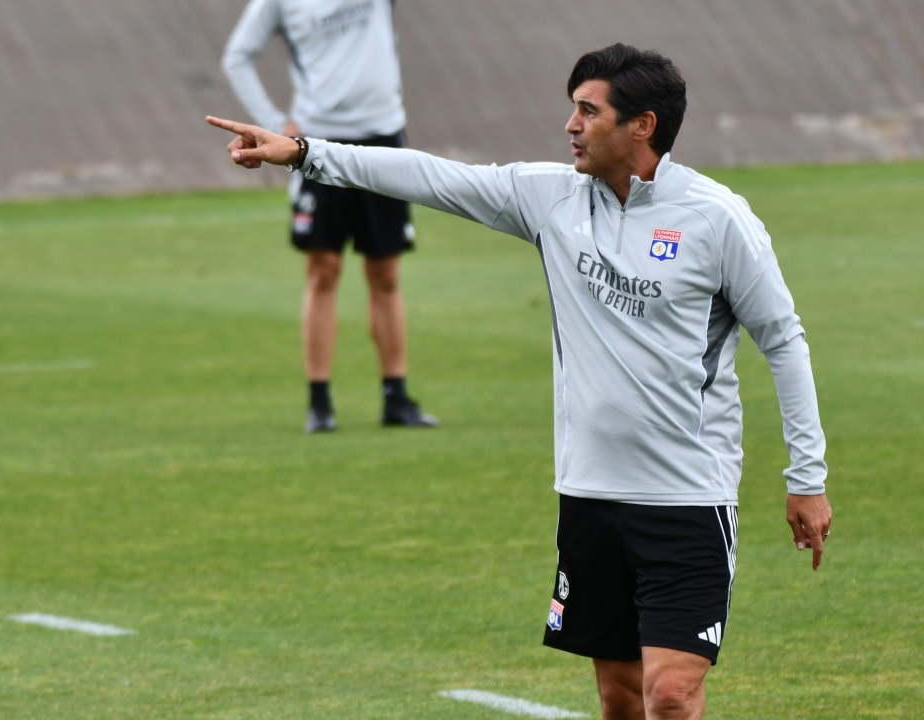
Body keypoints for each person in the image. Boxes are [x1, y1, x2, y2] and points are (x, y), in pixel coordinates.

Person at [208, 42, 832, 720]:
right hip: (589, 494)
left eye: (588, 111)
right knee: (620, 696)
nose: (570, 125)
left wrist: (807, 476)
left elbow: (783, 339)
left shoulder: (718, 218)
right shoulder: (549, 199)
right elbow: (431, 177)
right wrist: (304, 153)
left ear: (642, 125)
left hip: (687, 497)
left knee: (672, 694)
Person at [221, 0, 438, 433]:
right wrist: (274, 124)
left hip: (383, 135)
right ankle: (319, 402)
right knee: (323, 269)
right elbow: (237, 56)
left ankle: (396, 396)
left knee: (385, 271)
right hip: (315, 142)